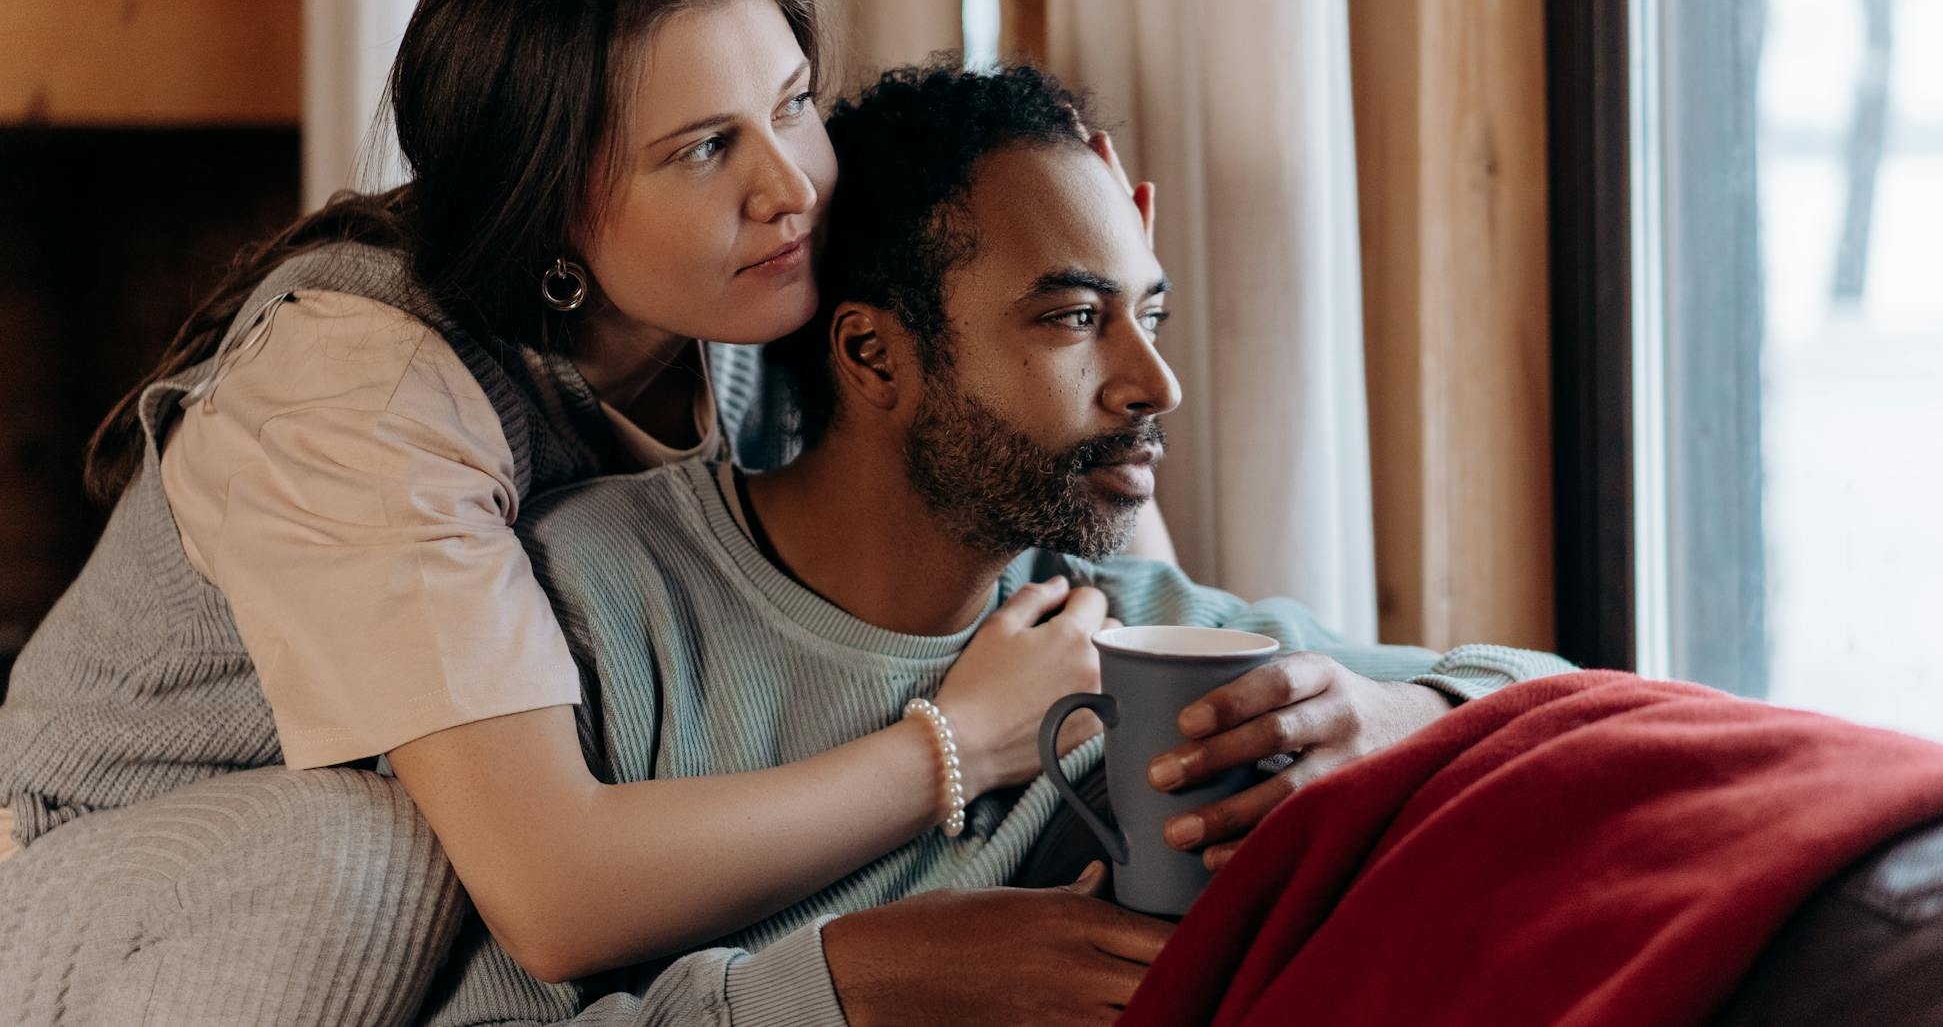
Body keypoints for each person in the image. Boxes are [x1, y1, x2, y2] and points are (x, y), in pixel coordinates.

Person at [0, 0, 1159, 1026]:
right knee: (377, 854)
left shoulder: (754, 289)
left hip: (428, 889)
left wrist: (1095, 278)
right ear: (550, 201)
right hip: (113, 883)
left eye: (793, 103)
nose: (788, 187)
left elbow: (1077, 513)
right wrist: (957, 744)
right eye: (703, 149)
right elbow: (555, 893)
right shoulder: (364, 378)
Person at [463, 63, 1577, 1025]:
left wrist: (1396, 715)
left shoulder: (1116, 633)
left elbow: (1567, 704)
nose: (1155, 383)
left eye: (1151, 315)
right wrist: (853, 985)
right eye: (1075, 318)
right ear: (874, 356)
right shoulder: (599, 599)